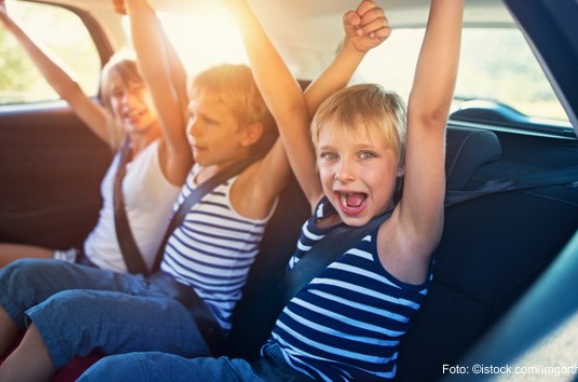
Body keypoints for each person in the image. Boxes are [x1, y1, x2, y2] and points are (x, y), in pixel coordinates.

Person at [0, 0, 383, 380]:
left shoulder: (252, 185)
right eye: (191, 115)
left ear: (251, 133)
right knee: (24, 275)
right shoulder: (197, 165)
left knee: (64, 313)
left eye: (208, 121)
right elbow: (161, 75)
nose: (192, 129)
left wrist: (350, 53)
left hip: (191, 318)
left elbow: (296, 113)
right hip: (149, 287)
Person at [75, 0, 463, 380]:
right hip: (257, 370)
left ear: (401, 165)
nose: (343, 173)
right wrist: (239, 9)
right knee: (114, 371)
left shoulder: (407, 237)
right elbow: (289, 110)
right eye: (329, 155)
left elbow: (428, 115)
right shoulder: (322, 211)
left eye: (365, 155)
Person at [0, 0, 191, 319]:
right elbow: (71, 92)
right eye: (116, 93)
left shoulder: (171, 151)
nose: (126, 101)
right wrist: (13, 26)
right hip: (75, 260)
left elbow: (160, 76)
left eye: (137, 88)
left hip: (105, 282)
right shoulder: (123, 142)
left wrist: (137, 8)